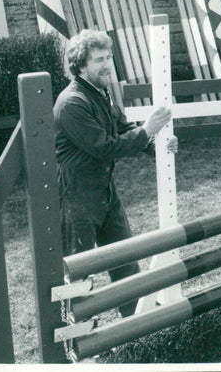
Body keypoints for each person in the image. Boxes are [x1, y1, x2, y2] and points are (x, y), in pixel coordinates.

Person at [53, 29, 177, 317]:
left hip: (105, 194)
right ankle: (76, 341)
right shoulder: (72, 103)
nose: (107, 64)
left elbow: (121, 130)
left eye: (109, 57)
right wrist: (147, 130)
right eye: (99, 59)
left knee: (126, 261)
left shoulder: (101, 92)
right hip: (76, 200)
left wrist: (158, 145)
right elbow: (105, 147)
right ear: (80, 65)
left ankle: (135, 328)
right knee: (77, 272)